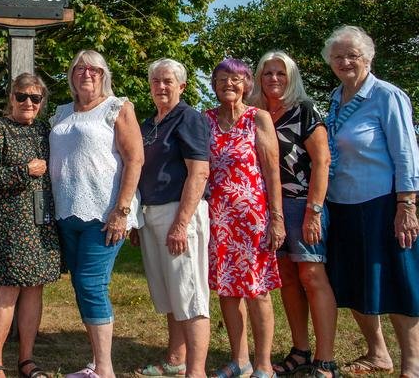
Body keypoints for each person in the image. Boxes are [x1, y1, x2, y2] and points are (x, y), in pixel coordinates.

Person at [321, 25, 419, 377]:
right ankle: (378, 353)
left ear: (368, 57)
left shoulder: (387, 96)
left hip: (382, 203)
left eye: (353, 55)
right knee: (354, 280)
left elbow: (406, 153)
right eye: (338, 56)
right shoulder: (335, 98)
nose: (345, 61)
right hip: (342, 203)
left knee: (397, 281)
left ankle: (413, 363)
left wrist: (406, 205)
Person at [49, 49, 144, 378]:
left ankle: (105, 369)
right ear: (71, 76)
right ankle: (95, 361)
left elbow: (135, 159)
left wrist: (122, 210)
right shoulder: (60, 113)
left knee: (92, 283)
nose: (86, 73)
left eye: (95, 69)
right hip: (66, 212)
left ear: (105, 75)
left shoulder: (118, 107)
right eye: (79, 68)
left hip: (104, 213)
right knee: (80, 284)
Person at [249, 51, 338, 378]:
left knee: (312, 277)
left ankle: (325, 359)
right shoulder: (256, 115)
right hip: (270, 207)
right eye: (267, 73)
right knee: (286, 278)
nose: (274, 79)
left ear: (291, 78)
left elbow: (322, 162)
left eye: (280, 73)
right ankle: (300, 350)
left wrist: (314, 211)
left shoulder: (304, 111)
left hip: (303, 204)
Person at [0, 73, 61, 378]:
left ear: (41, 103)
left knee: (34, 290)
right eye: (22, 96)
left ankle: (26, 360)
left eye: (35, 98)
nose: (28, 102)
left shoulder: (44, 131)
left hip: (40, 225)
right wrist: (23, 172)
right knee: (8, 292)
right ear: (11, 98)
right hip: (9, 225)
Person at [204, 58, 285, 378]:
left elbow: (272, 170)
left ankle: (264, 363)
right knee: (227, 289)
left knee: (257, 290)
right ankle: (240, 360)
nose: (229, 84)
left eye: (236, 79)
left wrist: (276, 218)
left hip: (253, 218)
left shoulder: (258, 118)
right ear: (213, 84)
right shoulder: (205, 119)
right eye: (222, 78)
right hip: (218, 218)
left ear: (247, 85)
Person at [131, 59, 210, 378]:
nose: (161, 87)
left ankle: (196, 371)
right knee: (170, 293)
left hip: (181, 212)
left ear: (182, 86)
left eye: (167, 81)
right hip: (152, 213)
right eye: (155, 82)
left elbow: (199, 172)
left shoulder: (188, 118)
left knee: (190, 295)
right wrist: (138, 219)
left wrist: (181, 223)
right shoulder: (149, 124)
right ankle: (176, 359)